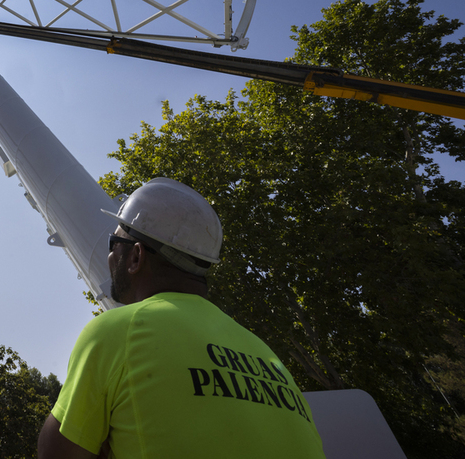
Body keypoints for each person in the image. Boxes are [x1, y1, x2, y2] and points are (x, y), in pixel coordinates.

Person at [38, 178, 326, 459]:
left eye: (114, 243)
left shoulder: (118, 331)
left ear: (136, 257)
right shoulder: (265, 354)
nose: (110, 255)